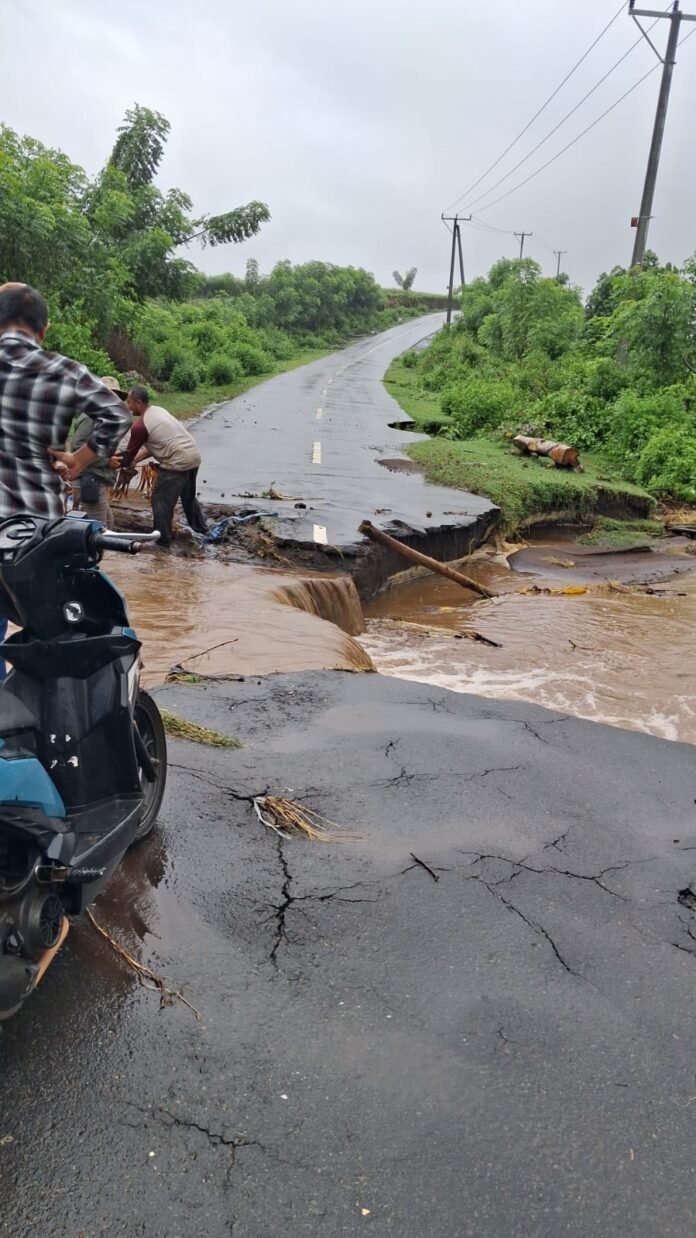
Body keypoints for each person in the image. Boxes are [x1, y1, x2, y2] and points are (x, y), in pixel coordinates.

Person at [0, 282, 131, 666]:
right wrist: (80, 459)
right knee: (47, 638)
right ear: (44, 328)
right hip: (34, 535)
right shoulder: (63, 370)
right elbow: (117, 414)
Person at [118, 384, 208, 548]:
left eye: (129, 402)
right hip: (193, 456)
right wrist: (136, 460)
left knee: (160, 500)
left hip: (177, 462)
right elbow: (156, 445)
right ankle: (202, 529)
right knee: (188, 497)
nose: (128, 406)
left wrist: (114, 462)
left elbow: (127, 455)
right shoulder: (158, 411)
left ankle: (162, 539)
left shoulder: (140, 426)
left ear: (138, 402)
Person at [69, 376, 130, 528]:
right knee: (98, 530)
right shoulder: (91, 417)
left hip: (94, 479)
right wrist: (106, 460)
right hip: (88, 479)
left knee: (106, 524)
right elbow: (78, 446)